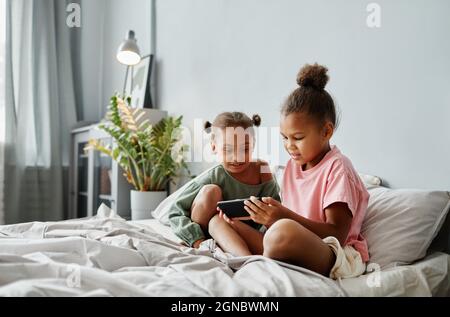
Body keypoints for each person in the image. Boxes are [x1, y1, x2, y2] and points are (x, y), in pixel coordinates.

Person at [213, 63, 369, 279]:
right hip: (285, 240)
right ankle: (249, 262)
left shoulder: (338, 167)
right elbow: (280, 226)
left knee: (281, 232)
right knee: (218, 221)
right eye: (284, 138)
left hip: (333, 254)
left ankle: (263, 260)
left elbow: (337, 235)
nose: (289, 146)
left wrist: (283, 217)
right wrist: (262, 216)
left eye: (298, 138)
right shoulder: (290, 169)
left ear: (326, 131)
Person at [168, 112, 281, 250]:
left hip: (243, 233)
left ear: (253, 145)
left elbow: (275, 207)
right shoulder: (214, 175)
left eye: (244, 149)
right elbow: (175, 211)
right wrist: (196, 239)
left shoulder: (263, 168)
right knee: (211, 191)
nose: (236, 157)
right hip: (209, 234)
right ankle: (206, 245)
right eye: (227, 150)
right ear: (214, 147)